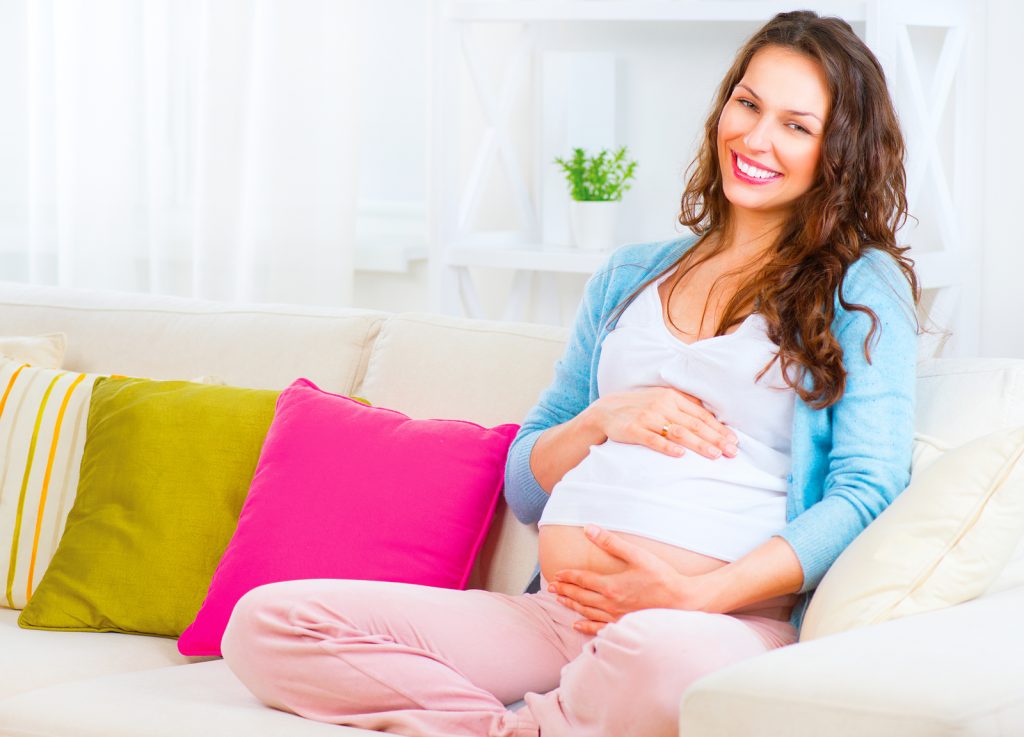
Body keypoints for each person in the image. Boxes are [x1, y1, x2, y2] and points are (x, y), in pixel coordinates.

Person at [220, 10, 920, 737]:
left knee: (658, 658)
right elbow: (524, 484)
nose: (756, 138)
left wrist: (699, 593)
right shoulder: (628, 276)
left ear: (838, 151)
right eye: (747, 103)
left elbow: (867, 488)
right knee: (269, 621)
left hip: (717, 622)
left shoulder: (859, 286)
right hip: (555, 614)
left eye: (796, 126)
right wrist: (600, 419)